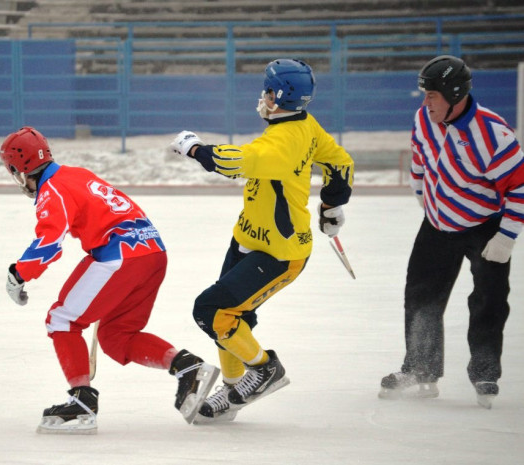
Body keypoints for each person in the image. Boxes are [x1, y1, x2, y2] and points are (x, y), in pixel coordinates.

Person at [0, 126, 219, 434]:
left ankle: (81, 402)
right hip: (153, 251)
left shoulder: (52, 190)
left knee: (61, 320)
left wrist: (18, 273)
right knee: (117, 337)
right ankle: (188, 367)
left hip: (119, 256)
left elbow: (49, 243)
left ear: (18, 168)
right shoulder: (77, 174)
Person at [170, 58, 354, 423]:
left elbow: (236, 161)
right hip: (248, 239)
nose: (263, 96)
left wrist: (194, 148)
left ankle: (265, 369)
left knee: (211, 311)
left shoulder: (281, 143)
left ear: (279, 95)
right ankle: (235, 389)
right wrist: (332, 206)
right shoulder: (305, 124)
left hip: (280, 253)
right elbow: (339, 162)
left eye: (268, 90)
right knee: (234, 319)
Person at [379, 55, 524, 409]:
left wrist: (506, 236)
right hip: (438, 224)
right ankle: (421, 369)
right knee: (421, 295)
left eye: (432, 95)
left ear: (455, 94)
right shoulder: (423, 119)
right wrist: (421, 193)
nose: (425, 103)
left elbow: (520, 186)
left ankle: (485, 372)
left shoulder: (494, 134)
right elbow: (419, 157)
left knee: (489, 300)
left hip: (485, 228)